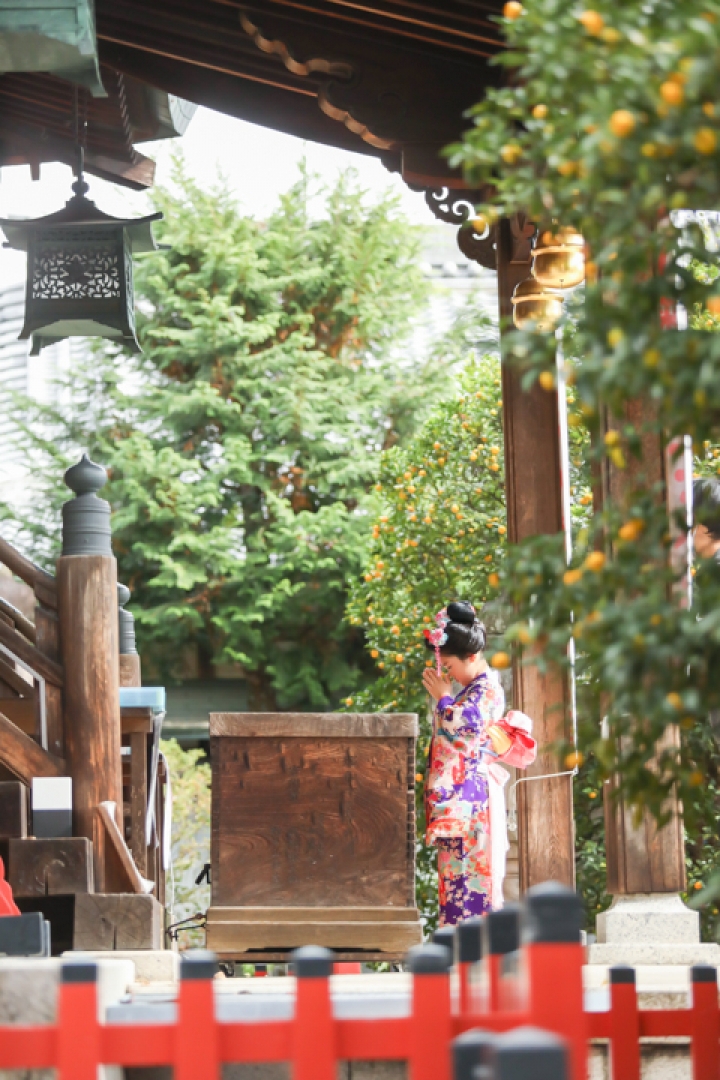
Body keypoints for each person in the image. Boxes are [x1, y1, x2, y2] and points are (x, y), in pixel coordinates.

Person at [421, 600, 536, 925]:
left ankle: (477, 947)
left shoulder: (487, 691)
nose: (447, 673)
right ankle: (460, 944)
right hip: (460, 798)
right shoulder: (471, 689)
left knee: (473, 872)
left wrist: (444, 697)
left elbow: (467, 725)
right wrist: (446, 696)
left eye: (451, 665)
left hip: (473, 799)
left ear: (472, 657)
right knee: (455, 872)